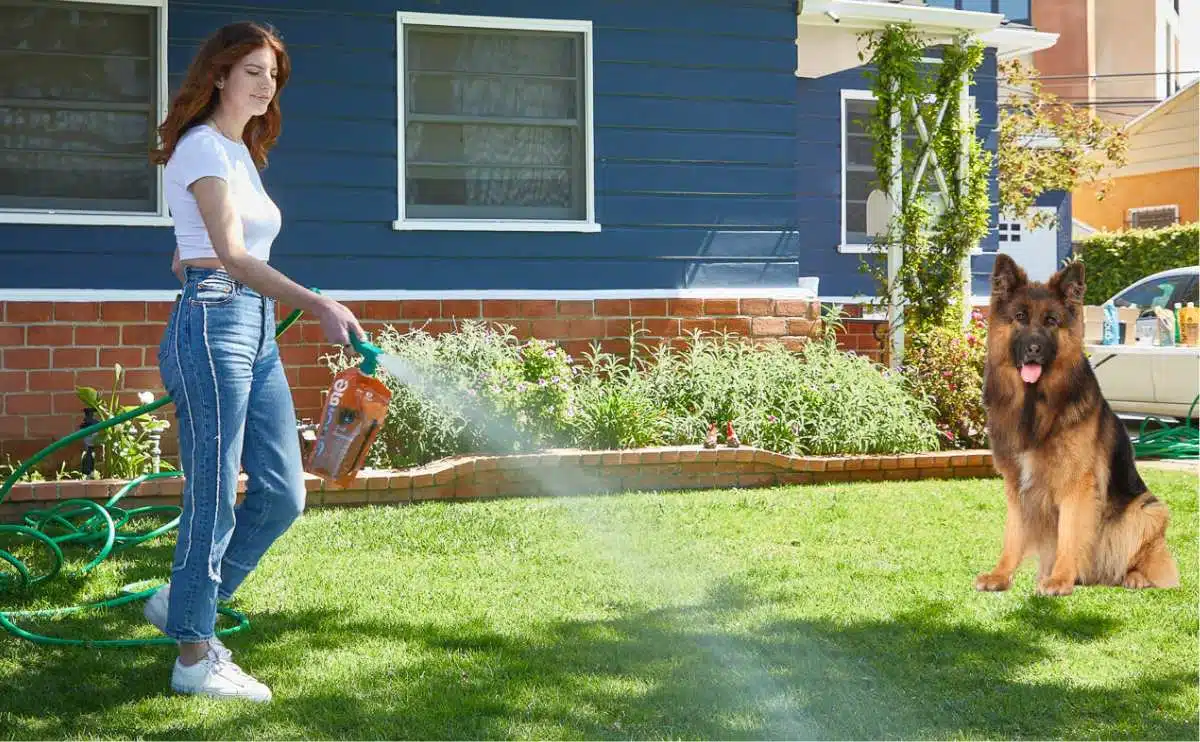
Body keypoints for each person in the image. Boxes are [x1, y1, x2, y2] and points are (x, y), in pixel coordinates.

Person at [144, 21, 364, 702]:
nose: (266, 84)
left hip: (252, 324)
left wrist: (194, 251)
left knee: (282, 493)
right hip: (213, 325)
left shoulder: (240, 152)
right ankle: (192, 658)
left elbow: (215, 244)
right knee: (214, 492)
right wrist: (321, 305)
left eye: (272, 73)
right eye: (251, 72)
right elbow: (234, 257)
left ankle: (183, 606)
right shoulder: (202, 146)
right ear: (218, 75)